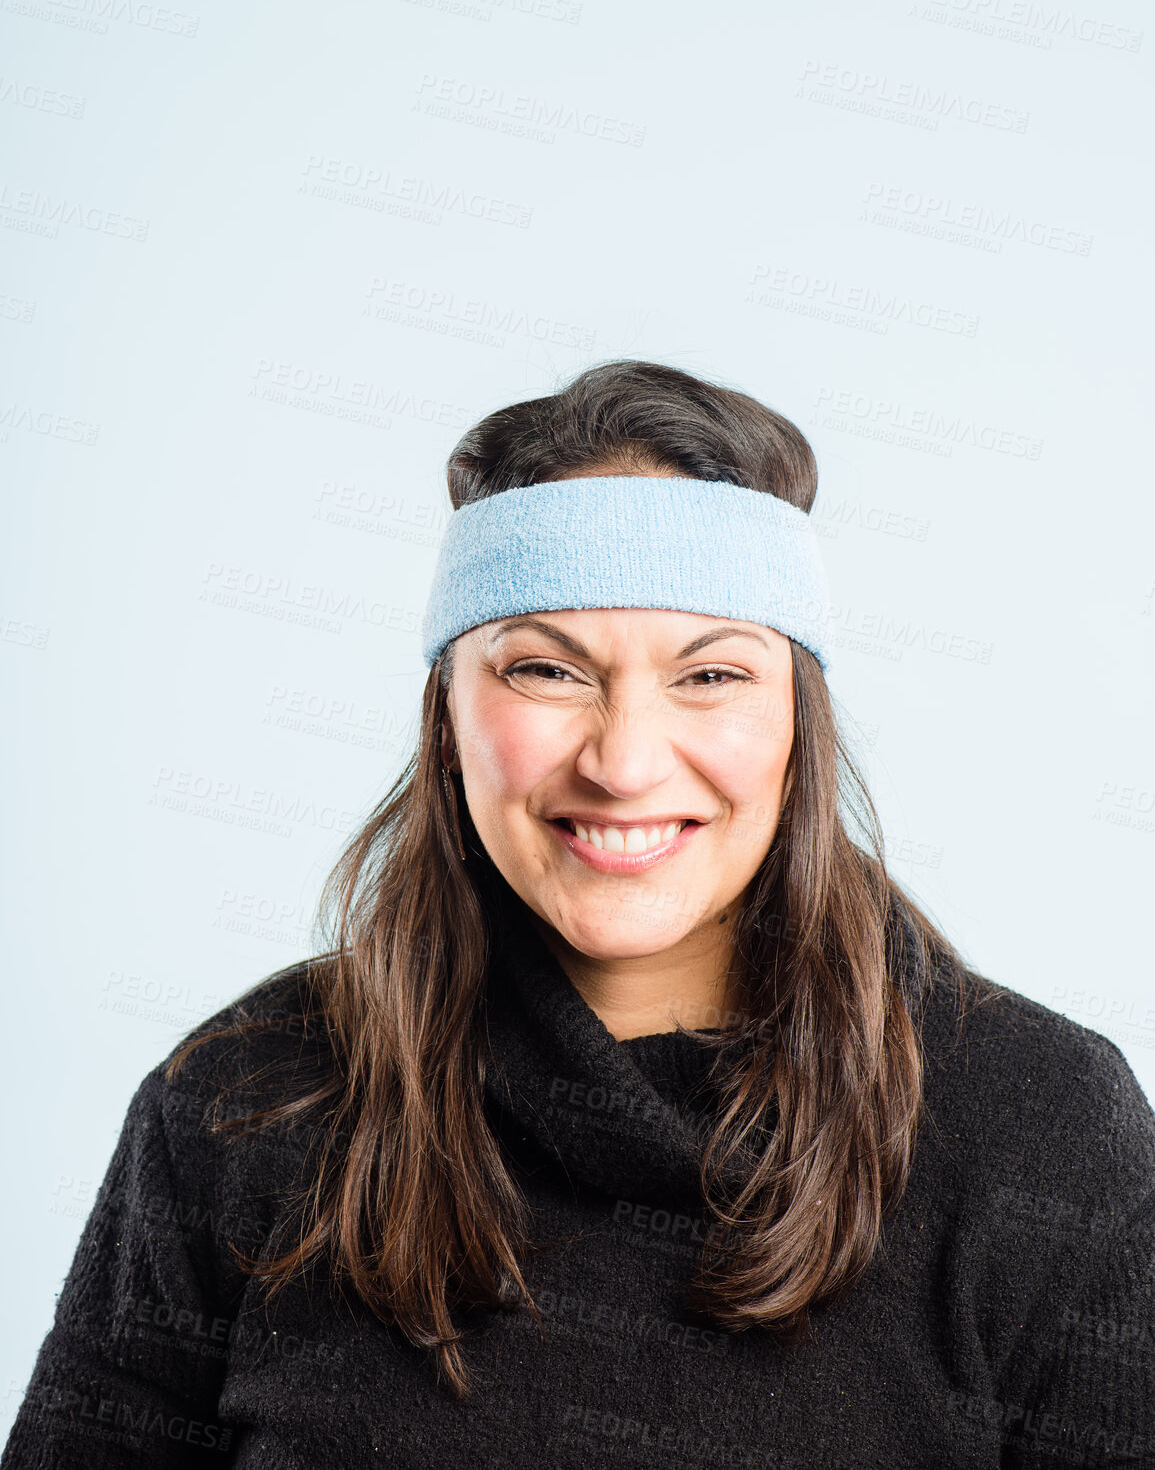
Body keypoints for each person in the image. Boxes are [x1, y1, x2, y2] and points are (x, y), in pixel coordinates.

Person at [5, 359, 1154, 1469]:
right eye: (546, 671)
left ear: (798, 719)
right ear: (445, 713)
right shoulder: (245, 1101)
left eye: (711, 676)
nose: (626, 763)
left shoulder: (1039, 1128)